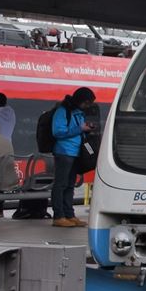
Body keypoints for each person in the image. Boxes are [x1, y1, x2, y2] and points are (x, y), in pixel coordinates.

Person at [51, 87, 96, 228]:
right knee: (60, 184)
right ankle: (58, 216)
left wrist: (86, 128)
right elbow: (57, 132)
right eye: (87, 103)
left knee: (70, 185)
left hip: (75, 152)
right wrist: (80, 129)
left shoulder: (79, 113)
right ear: (80, 100)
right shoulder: (62, 111)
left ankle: (69, 214)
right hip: (64, 152)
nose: (88, 106)